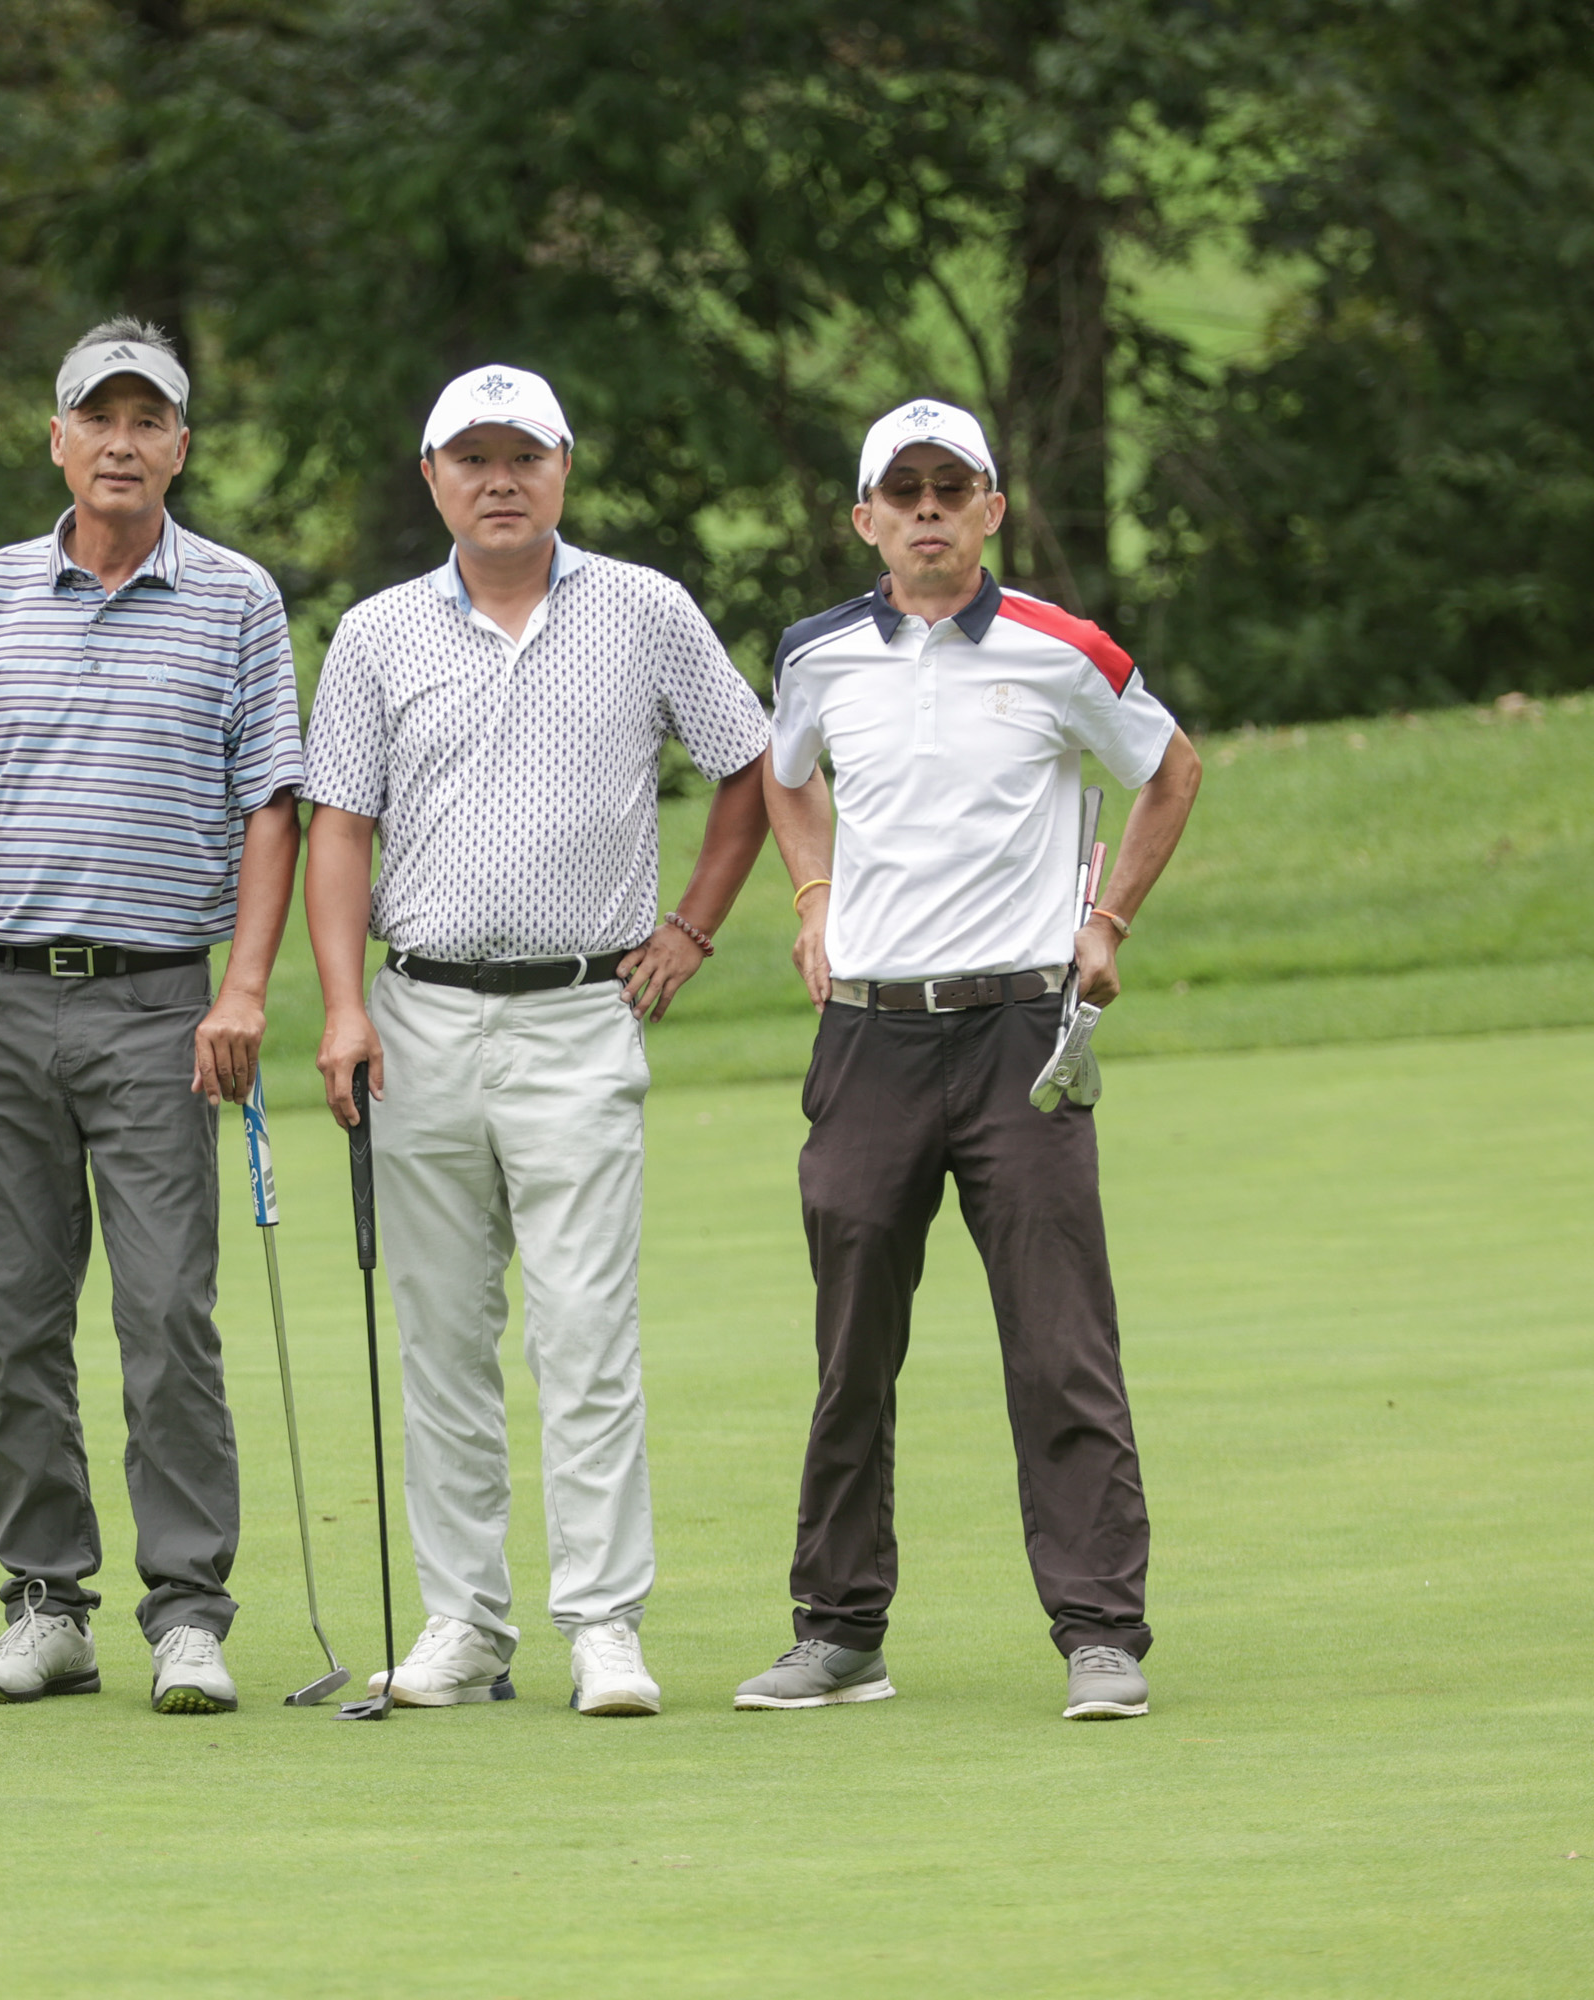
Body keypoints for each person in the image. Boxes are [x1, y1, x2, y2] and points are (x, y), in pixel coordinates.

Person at [302, 364, 773, 1718]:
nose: (499, 480)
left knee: (585, 1333)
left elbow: (752, 765)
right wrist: (342, 1005)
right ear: (432, 477)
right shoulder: (379, 632)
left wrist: (691, 928)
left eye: (525, 455)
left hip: (581, 1012)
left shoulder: (644, 609)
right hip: (419, 1017)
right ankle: (464, 1623)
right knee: (443, 1339)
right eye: (473, 458)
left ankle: (604, 1624)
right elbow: (340, 827)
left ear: (564, 468)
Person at [739, 396, 1201, 1721]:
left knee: (1061, 1347)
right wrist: (813, 894)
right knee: (852, 1352)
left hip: (1019, 1035)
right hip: (869, 1035)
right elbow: (784, 772)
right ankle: (840, 1633)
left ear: (992, 510)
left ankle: (1100, 1634)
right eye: (907, 491)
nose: (930, 510)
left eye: (954, 488)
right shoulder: (819, 653)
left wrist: (1110, 921)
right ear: (867, 519)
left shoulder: (1063, 649)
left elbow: (1170, 768)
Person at [0, 318, 305, 1716]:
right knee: (14, 1321)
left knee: (167, 1314)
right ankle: (45, 1605)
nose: (122, 443)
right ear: (57, 438)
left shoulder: (237, 600)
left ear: (182, 445)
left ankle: (186, 1611)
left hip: (160, 1006)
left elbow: (270, 807)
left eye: (149, 420)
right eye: (98, 418)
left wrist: (245, 987)